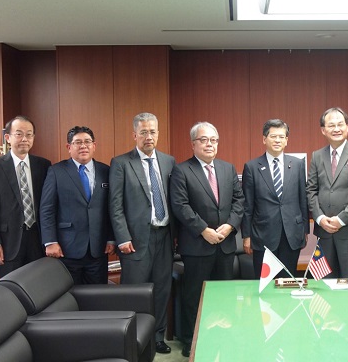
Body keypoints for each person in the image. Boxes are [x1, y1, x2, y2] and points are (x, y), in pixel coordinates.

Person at [170, 122, 244, 357]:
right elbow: (180, 206)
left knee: (224, 294)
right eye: (204, 140)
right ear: (193, 144)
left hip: (225, 244)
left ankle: (222, 337)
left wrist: (230, 226)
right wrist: (203, 230)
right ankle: (192, 339)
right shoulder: (182, 171)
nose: (209, 144)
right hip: (197, 245)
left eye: (213, 140)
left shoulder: (227, 168)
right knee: (194, 296)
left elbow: (239, 201)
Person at [109, 112, 176, 354]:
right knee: (135, 292)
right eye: (144, 132)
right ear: (134, 134)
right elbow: (115, 205)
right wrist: (122, 237)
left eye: (153, 131)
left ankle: (157, 337)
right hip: (135, 240)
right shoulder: (121, 163)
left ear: (158, 134)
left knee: (161, 290)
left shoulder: (169, 161)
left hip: (165, 236)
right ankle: (134, 339)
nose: (149, 136)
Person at [39, 126, 114, 284]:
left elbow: (112, 208)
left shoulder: (106, 171)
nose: (83, 146)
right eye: (78, 142)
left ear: (94, 145)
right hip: (66, 248)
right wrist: (50, 241)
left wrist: (111, 239)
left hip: (98, 248)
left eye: (87, 142)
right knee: (69, 294)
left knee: (99, 294)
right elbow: (47, 209)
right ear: (69, 147)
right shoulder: (56, 171)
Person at [0, 116, 51, 278]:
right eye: (19, 134)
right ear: (8, 137)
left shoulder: (44, 165)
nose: (24, 139)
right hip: (8, 241)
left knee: (39, 285)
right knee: (11, 287)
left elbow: (49, 205)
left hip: (38, 238)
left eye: (29, 134)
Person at [306, 107, 348, 278]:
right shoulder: (317, 156)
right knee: (324, 282)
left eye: (340, 124)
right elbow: (311, 190)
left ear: (347, 127)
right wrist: (320, 218)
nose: (336, 129)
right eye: (331, 125)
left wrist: (340, 220)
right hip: (324, 231)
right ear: (323, 130)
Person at [241, 119, 309, 278]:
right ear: (264, 139)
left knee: (288, 281)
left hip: (291, 234)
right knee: (265, 283)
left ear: (286, 140)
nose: (277, 140)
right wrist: (246, 236)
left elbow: (303, 200)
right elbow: (247, 205)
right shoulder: (252, 167)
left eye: (281, 137)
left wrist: (305, 230)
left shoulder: (298, 164)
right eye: (273, 136)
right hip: (263, 235)